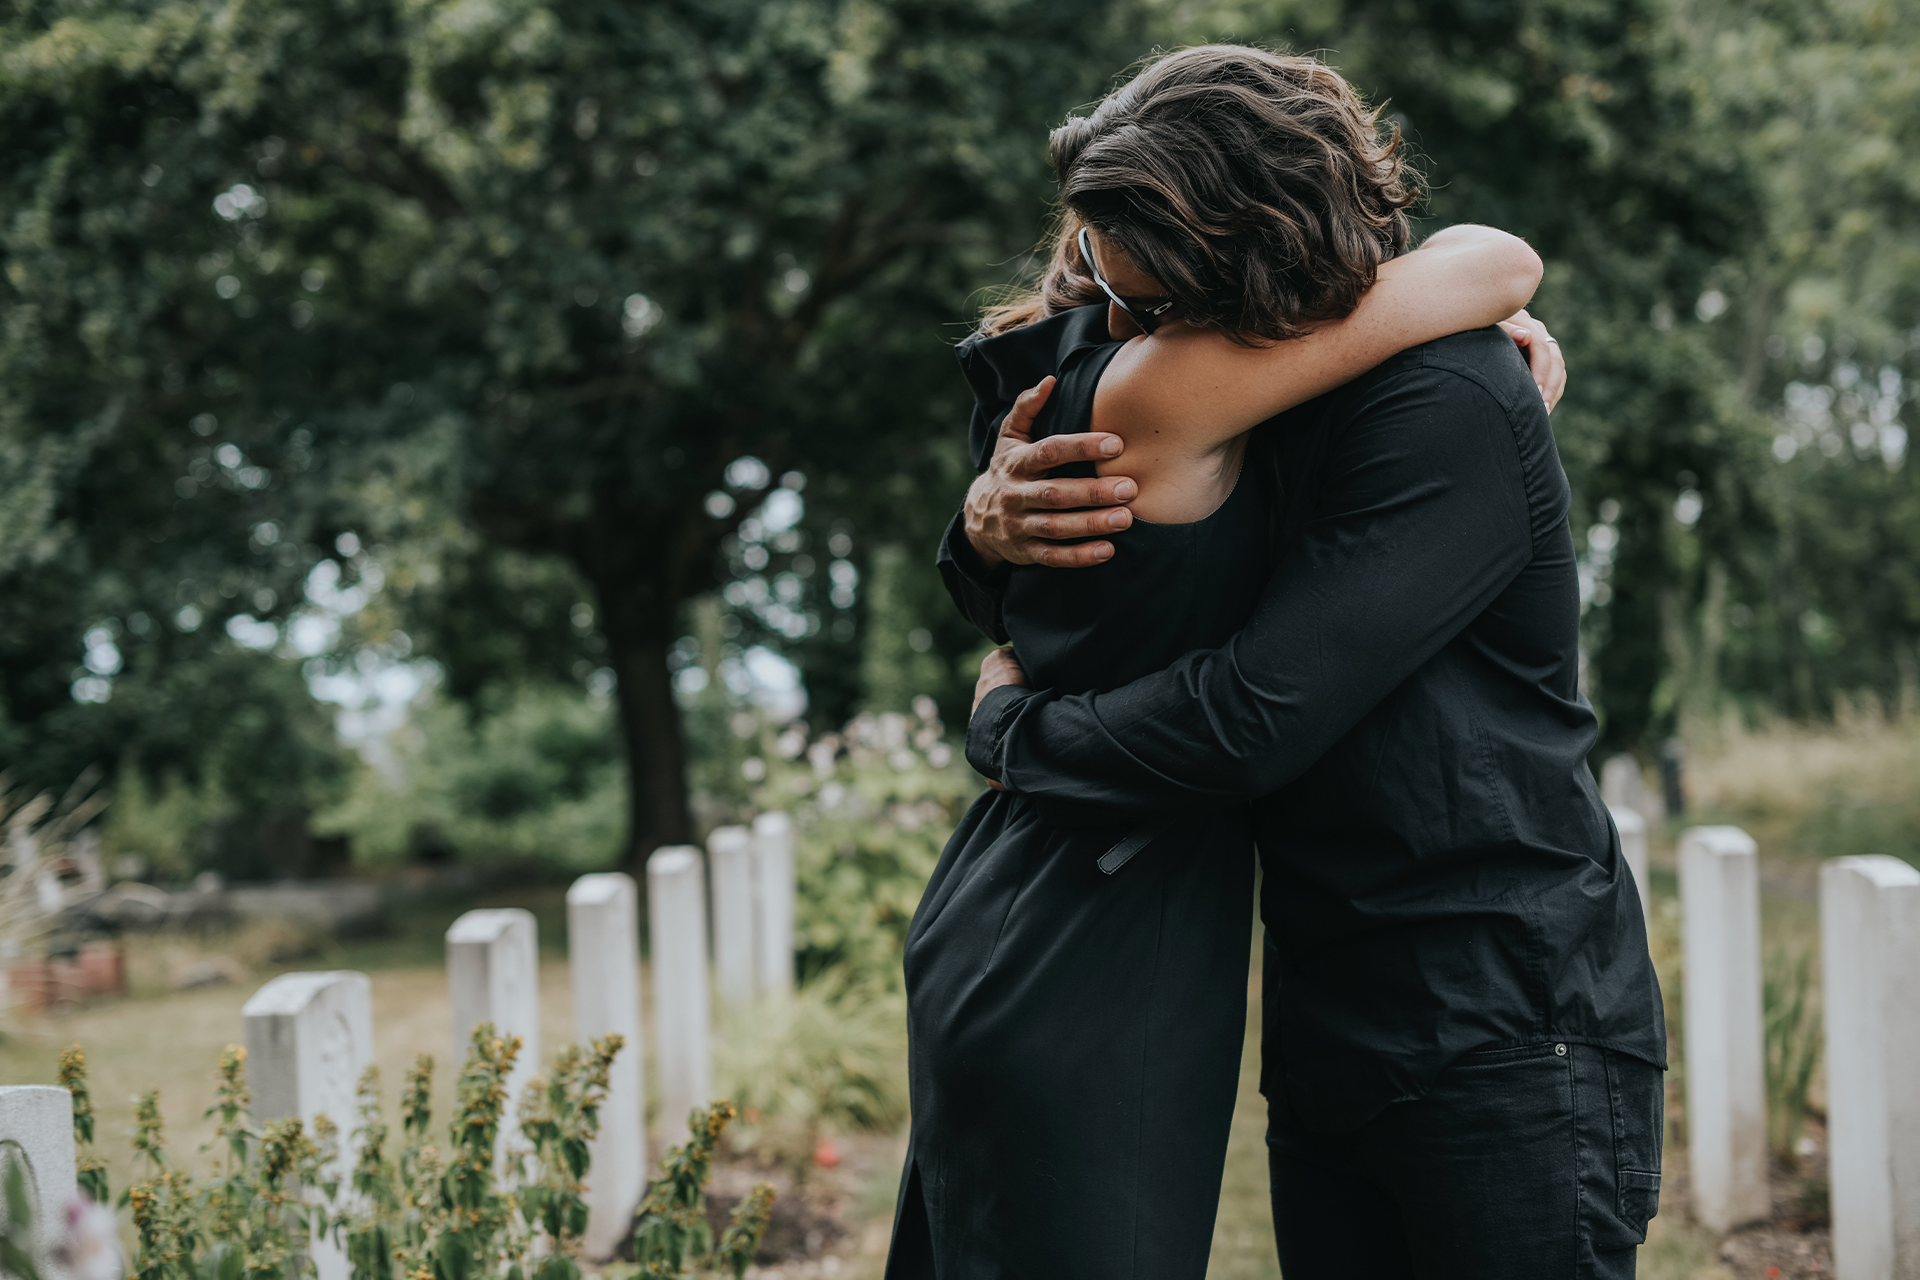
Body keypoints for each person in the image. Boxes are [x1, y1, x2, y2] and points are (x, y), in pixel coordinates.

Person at [947, 46, 1666, 1280]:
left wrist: (1013, 732)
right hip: (1335, 1012)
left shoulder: (1448, 391)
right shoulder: (1273, 396)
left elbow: (1249, 717)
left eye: (1156, 302)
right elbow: (1116, 575)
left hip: (1508, 1022)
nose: (1132, 335)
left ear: (1252, 243)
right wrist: (979, 524)